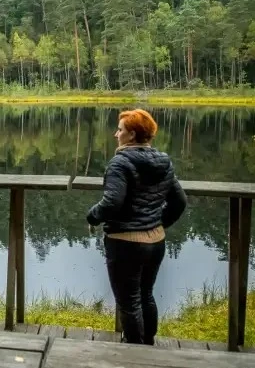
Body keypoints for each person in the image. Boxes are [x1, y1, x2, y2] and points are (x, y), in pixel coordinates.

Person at [85, 109, 187, 346]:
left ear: (131, 135)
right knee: (145, 295)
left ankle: (135, 354)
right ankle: (148, 347)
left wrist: (92, 216)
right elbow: (179, 201)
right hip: (156, 241)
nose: (115, 134)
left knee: (129, 302)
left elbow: (112, 202)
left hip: (125, 243)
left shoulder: (120, 163)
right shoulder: (164, 161)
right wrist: (157, 223)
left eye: (119, 130)